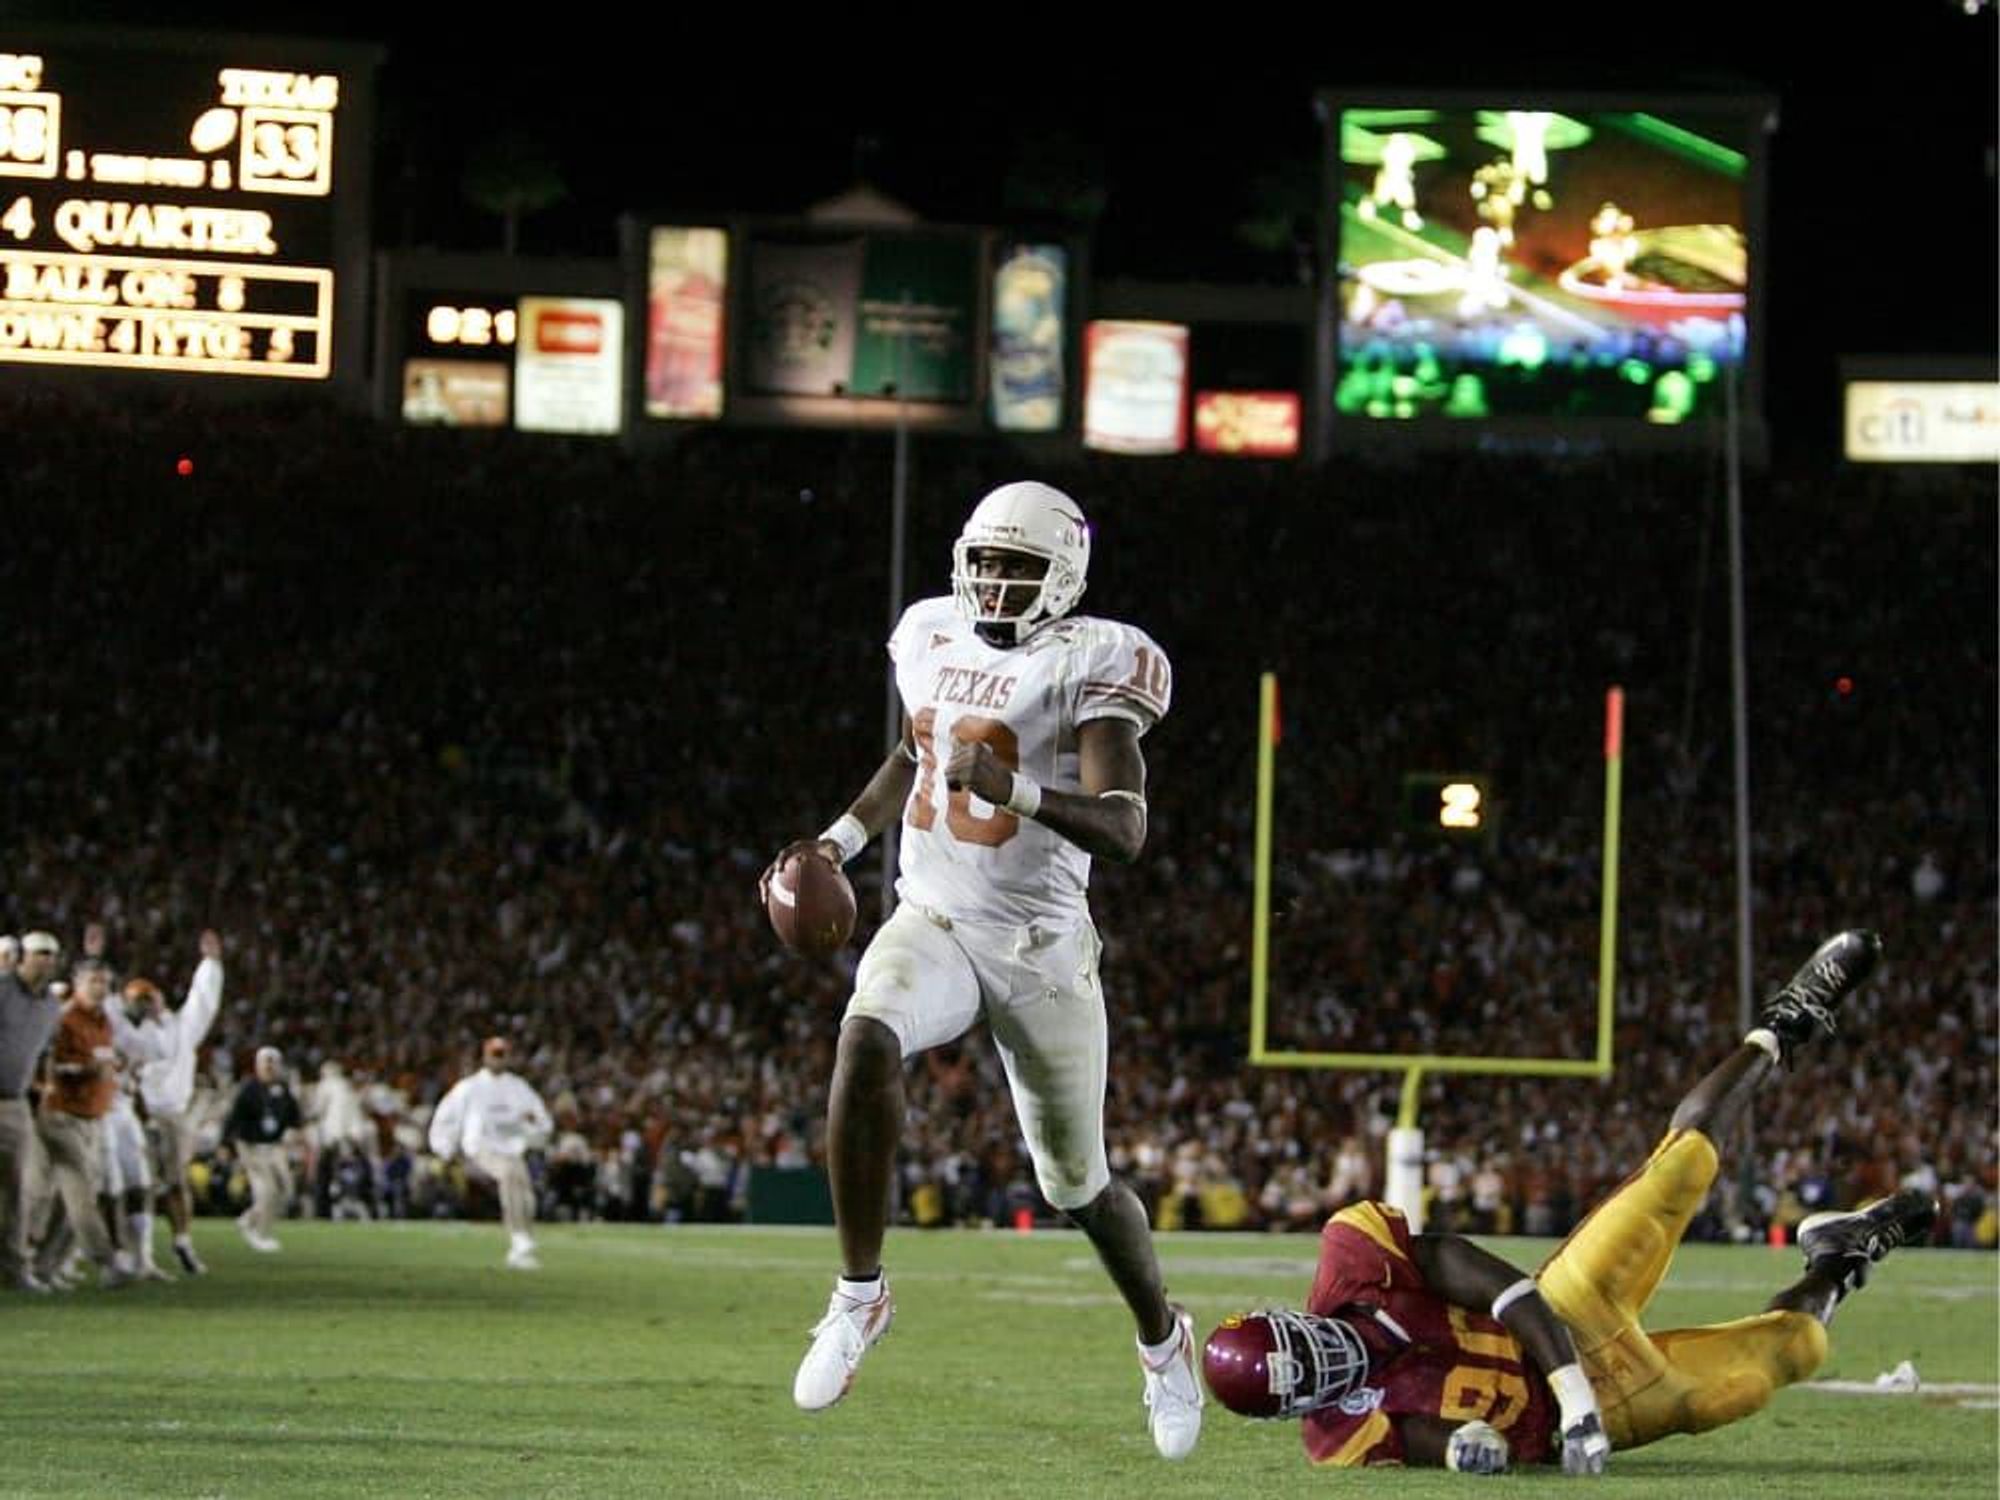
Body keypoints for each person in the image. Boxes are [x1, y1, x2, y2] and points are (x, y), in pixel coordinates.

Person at [761, 480, 1203, 1459]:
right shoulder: (927, 632)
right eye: (987, 562)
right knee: (865, 1034)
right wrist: (836, 840)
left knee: (1076, 1187)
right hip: (935, 917)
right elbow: (912, 755)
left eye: (1020, 567)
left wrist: (1018, 789)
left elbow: (1124, 827)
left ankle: (1163, 1343)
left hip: (1039, 946)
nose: (997, 583)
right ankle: (858, 1295)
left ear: (1065, 576)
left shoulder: (1092, 661)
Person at [1200, 930, 1940, 1475]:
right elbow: (1420, 1443)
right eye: (1304, 1382)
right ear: (1292, 1410)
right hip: (1593, 1419)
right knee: (1784, 1358)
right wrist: (1467, 1451)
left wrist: (1571, 1388)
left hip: (1563, 1317)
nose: (1324, 1365)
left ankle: (1788, 1020)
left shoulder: (1354, 1265)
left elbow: (1489, 1279)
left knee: (1674, 1173)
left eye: (1302, 1348)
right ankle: (1841, 1257)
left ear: (1292, 1319)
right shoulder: (1336, 1436)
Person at [34, 956, 167, 1289]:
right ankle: (106, 1262)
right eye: (92, 980)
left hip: (93, 1117)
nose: (99, 987)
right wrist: (82, 1072)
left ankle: (42, 1264)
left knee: (70, 1199)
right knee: (82, 1193)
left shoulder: (104, 1022)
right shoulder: (63, 1018)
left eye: (104, 982)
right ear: (77, 983)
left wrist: (114, 1067)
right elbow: (43, 1064)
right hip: (62, 1115)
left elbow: (105, 1060)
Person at [135, 930, 225, 1275]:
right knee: (138, 1185)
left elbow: (203, 1001)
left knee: (176, 1183)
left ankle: (182, 1241)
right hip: (139, 1114)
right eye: (141, 999)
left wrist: (211, 963)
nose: (148, 1004)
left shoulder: (181, 1029)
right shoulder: (131, 1033)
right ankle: (139, 1251)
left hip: (172, 1113)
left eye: (150, 997)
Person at [427, 1035, 553, 1269]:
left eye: (502, 1054)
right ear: (485, 1056)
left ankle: (523, 1243)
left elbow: (542, 1122)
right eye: (494, 1054)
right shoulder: (470, 1087)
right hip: (479, 1148)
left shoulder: (518, 1087)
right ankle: (519, 1237)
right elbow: (446, 1117)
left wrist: (533, 1130)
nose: (498, 1059)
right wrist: (444, 1149)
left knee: (523, 1188)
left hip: (511, 1149)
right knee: (509, 1174)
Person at [0, 932, 63, 1293]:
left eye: (51, 956)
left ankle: (12, 1267)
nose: (46, 961)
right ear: (22, 956)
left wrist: (45, 1086)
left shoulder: (50, 1005)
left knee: (17, 1190)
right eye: (40, 954)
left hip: (16, 1102)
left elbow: (45, 1053)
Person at [224, 1045, 302, 1252]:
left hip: (274, 1146)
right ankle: (258, 1233)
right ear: (257, 1065)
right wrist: (226, 1145)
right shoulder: (249, 1089)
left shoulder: (283, 1089)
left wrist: (293, 1132)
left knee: (286, 1189)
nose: (269, 1067)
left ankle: (248, 1219)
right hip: (250, 1145)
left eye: (272, 1062)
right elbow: (233, 1119)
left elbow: (295, 1117)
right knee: (266, 1190)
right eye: (265, 1062)